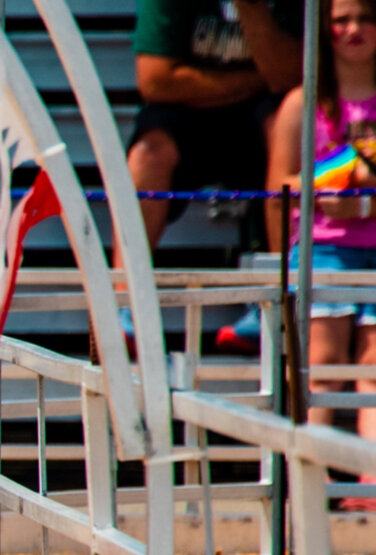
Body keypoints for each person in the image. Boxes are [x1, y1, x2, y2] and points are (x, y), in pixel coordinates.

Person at [116, 0, 303, 350]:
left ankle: (280, 296)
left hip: (259, 119)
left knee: (286, 126)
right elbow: (156, 82)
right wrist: (258, 79)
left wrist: (251, 10)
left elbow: (292, 78)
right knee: (147, 153)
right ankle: (125, 303)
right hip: (186, 119)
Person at [267, 0, 376, 507]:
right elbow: (277, 188)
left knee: (374, 366)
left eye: (368, 17)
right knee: (323, 363)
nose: (355, 29)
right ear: (323, 30)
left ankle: (369, 482)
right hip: (322, 252)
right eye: (342, 19)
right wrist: (324, 188)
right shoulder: (300, 104)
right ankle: (305, 484)